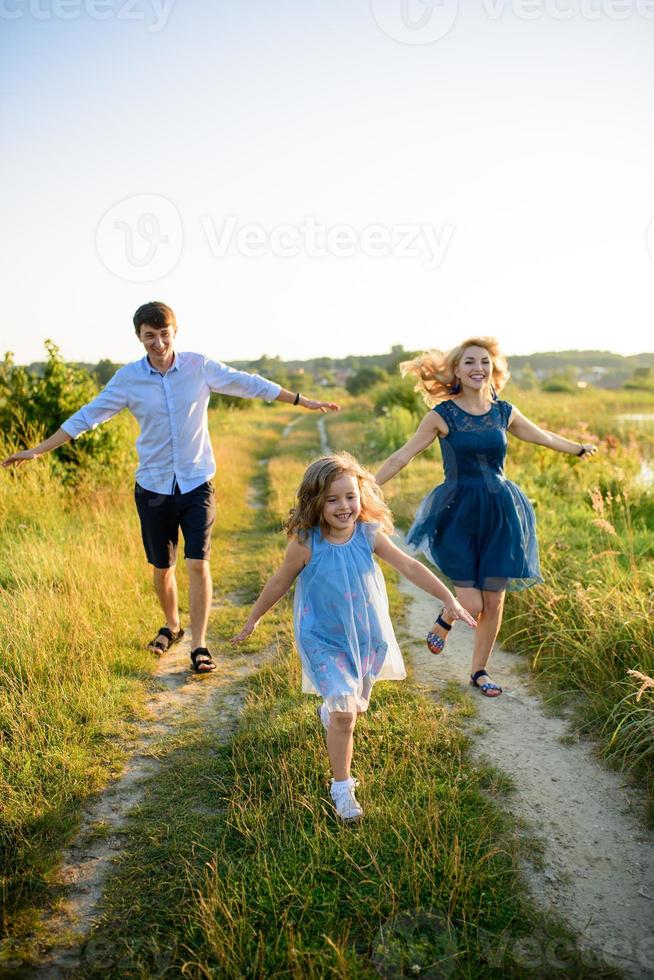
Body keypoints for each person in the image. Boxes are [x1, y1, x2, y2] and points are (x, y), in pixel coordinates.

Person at [1, 301, 339, 674]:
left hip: (197, 483)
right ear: (139, 338)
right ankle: (172, 626)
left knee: (198, 563)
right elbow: (87, 416)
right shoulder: (128, 379)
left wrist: (301, 400)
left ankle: (199, 645)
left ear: (174, 332)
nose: (158, 343)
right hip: (153, 487)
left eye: (164, 334)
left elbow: (250, 384)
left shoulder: (199, 367)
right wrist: (37, 450)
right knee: (162, 569)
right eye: (150, 336)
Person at [231, 452, 476, 822]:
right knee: (346, 716)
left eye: (350, 496)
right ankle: (342, 789)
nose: (344, 506)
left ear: (361, 495)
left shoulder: (368, 533)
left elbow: (408, 565)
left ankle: (334, 708)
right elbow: (281, 581)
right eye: (332, 499)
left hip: (366, 635)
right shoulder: (306, 541)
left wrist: (447, 598)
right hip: (321, 636)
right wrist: (254, 618)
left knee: (353, 706)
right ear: (316, 502)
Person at [375, 337, 597, 698]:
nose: (478, 368)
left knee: (493, 600)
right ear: (457, 371)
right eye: (469, 363)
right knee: (473, 602)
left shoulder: (504, 412)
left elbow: (541, 436)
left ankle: (479, 670)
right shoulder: (441, 416)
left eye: (485, 362)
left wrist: (577, 448)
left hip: (501, 512)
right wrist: (367, 487)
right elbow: (403, 456)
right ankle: (449, 615)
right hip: (458, 513)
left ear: (494, 370)